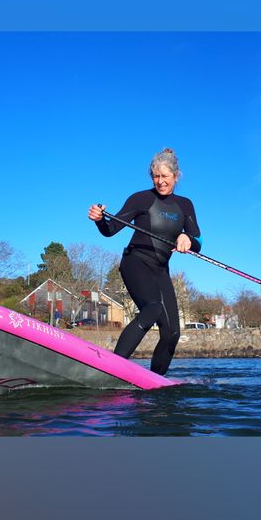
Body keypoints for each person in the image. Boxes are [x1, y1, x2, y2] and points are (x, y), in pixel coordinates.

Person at [87, 148, 202, 375]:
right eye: (155, 176)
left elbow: (198, 240)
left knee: (172, 333)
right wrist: (100, 220)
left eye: (165, 176)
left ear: (176, 176)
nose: (160, 182)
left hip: (160, 270)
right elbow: (110, 229)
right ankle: (111, 368)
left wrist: (186, 237)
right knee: (152, 308)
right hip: (135, 262)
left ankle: (155, 381)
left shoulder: (185, 205)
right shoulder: (140, 198)